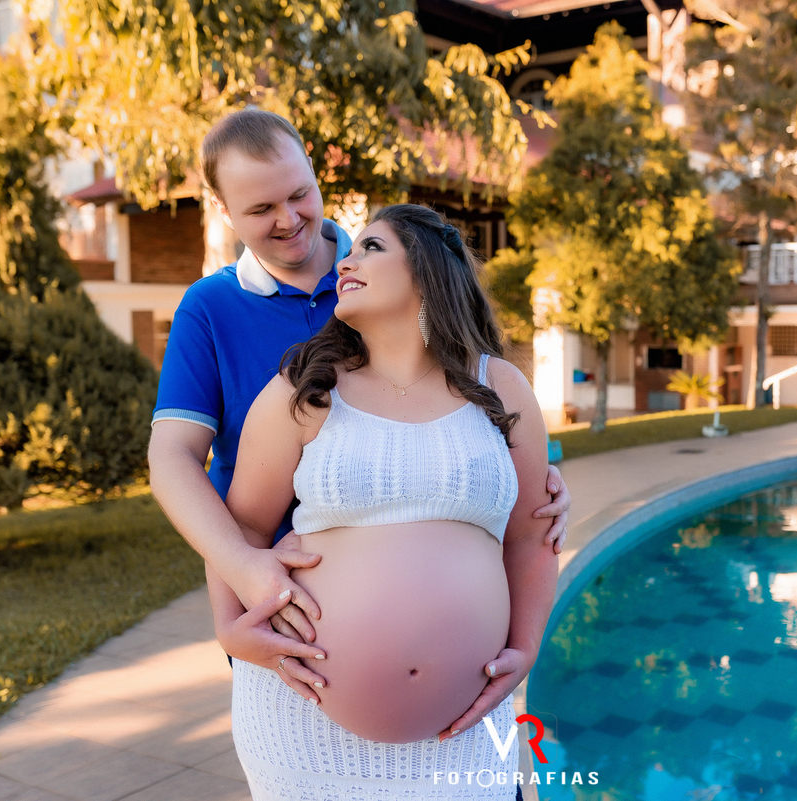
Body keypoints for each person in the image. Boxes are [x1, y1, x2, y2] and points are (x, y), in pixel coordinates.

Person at [146, 108, 571, 703]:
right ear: (221, 209)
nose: (289, 219)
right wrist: (240, 570)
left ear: (314, 170)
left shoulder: (382, 277)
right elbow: (172, 458)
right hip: (287, 610)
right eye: (261, 209)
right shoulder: (210, 308)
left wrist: (525, 483)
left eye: (299, 194)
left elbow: (473, 414)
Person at [223, 203, 558, 798]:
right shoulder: (306, 391)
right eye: (349, 252)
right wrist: (229, 629)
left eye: (371, 247)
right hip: (304, 728)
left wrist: (527, 648)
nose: (345, 262)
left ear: (428, 272)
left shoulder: (500, 387)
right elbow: (242, 527)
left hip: (464, 733)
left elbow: (532, 536)